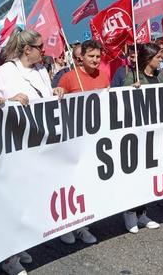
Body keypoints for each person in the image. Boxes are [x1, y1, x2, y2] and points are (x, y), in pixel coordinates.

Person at [0, 28, 64, 275]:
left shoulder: (42, 71)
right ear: (26, 49)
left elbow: (45, 100)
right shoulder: (4, 73)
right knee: (15, 203)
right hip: (13, 147)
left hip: (38, 146)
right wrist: (9, 102)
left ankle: (20, 246)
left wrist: (56, 92)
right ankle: (8, 257)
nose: (44, 51)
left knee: (32, 200)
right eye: (40, 47)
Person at [57, 40, 107, 245]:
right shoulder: (68, 77)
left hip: (94, 140)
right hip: (73, 141)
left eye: (98, 56)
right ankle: (66, 225)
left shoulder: (103, 77)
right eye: (91, 56)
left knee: (88, 184)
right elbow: (55, 106)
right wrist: (58, 92)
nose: (95, 60)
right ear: (81, 57)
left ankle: (82, 226)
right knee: (71, 183)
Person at [119, 43, 163, 233]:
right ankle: (130, 212)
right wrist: (131, 89)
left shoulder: (161, 76)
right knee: (135, 174)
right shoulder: (134, 77)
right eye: (158, 57)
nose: (161, 60)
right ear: (149, 58)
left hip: (156, 132)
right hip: (137, 134)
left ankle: (142, 213)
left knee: (149, 175)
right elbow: (120, 102)